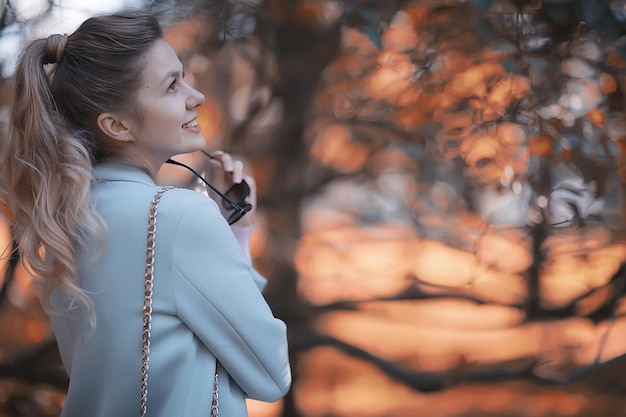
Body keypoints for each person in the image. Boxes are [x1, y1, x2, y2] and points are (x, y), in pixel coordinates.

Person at [0, 9, 291, 417]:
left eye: (183, 76)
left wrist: (232, 229)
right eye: (172, 86)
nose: (197, 97)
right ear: (117, 125)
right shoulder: (179, 217)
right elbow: (270, 373)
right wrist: (229, 232)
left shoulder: (68, 221)